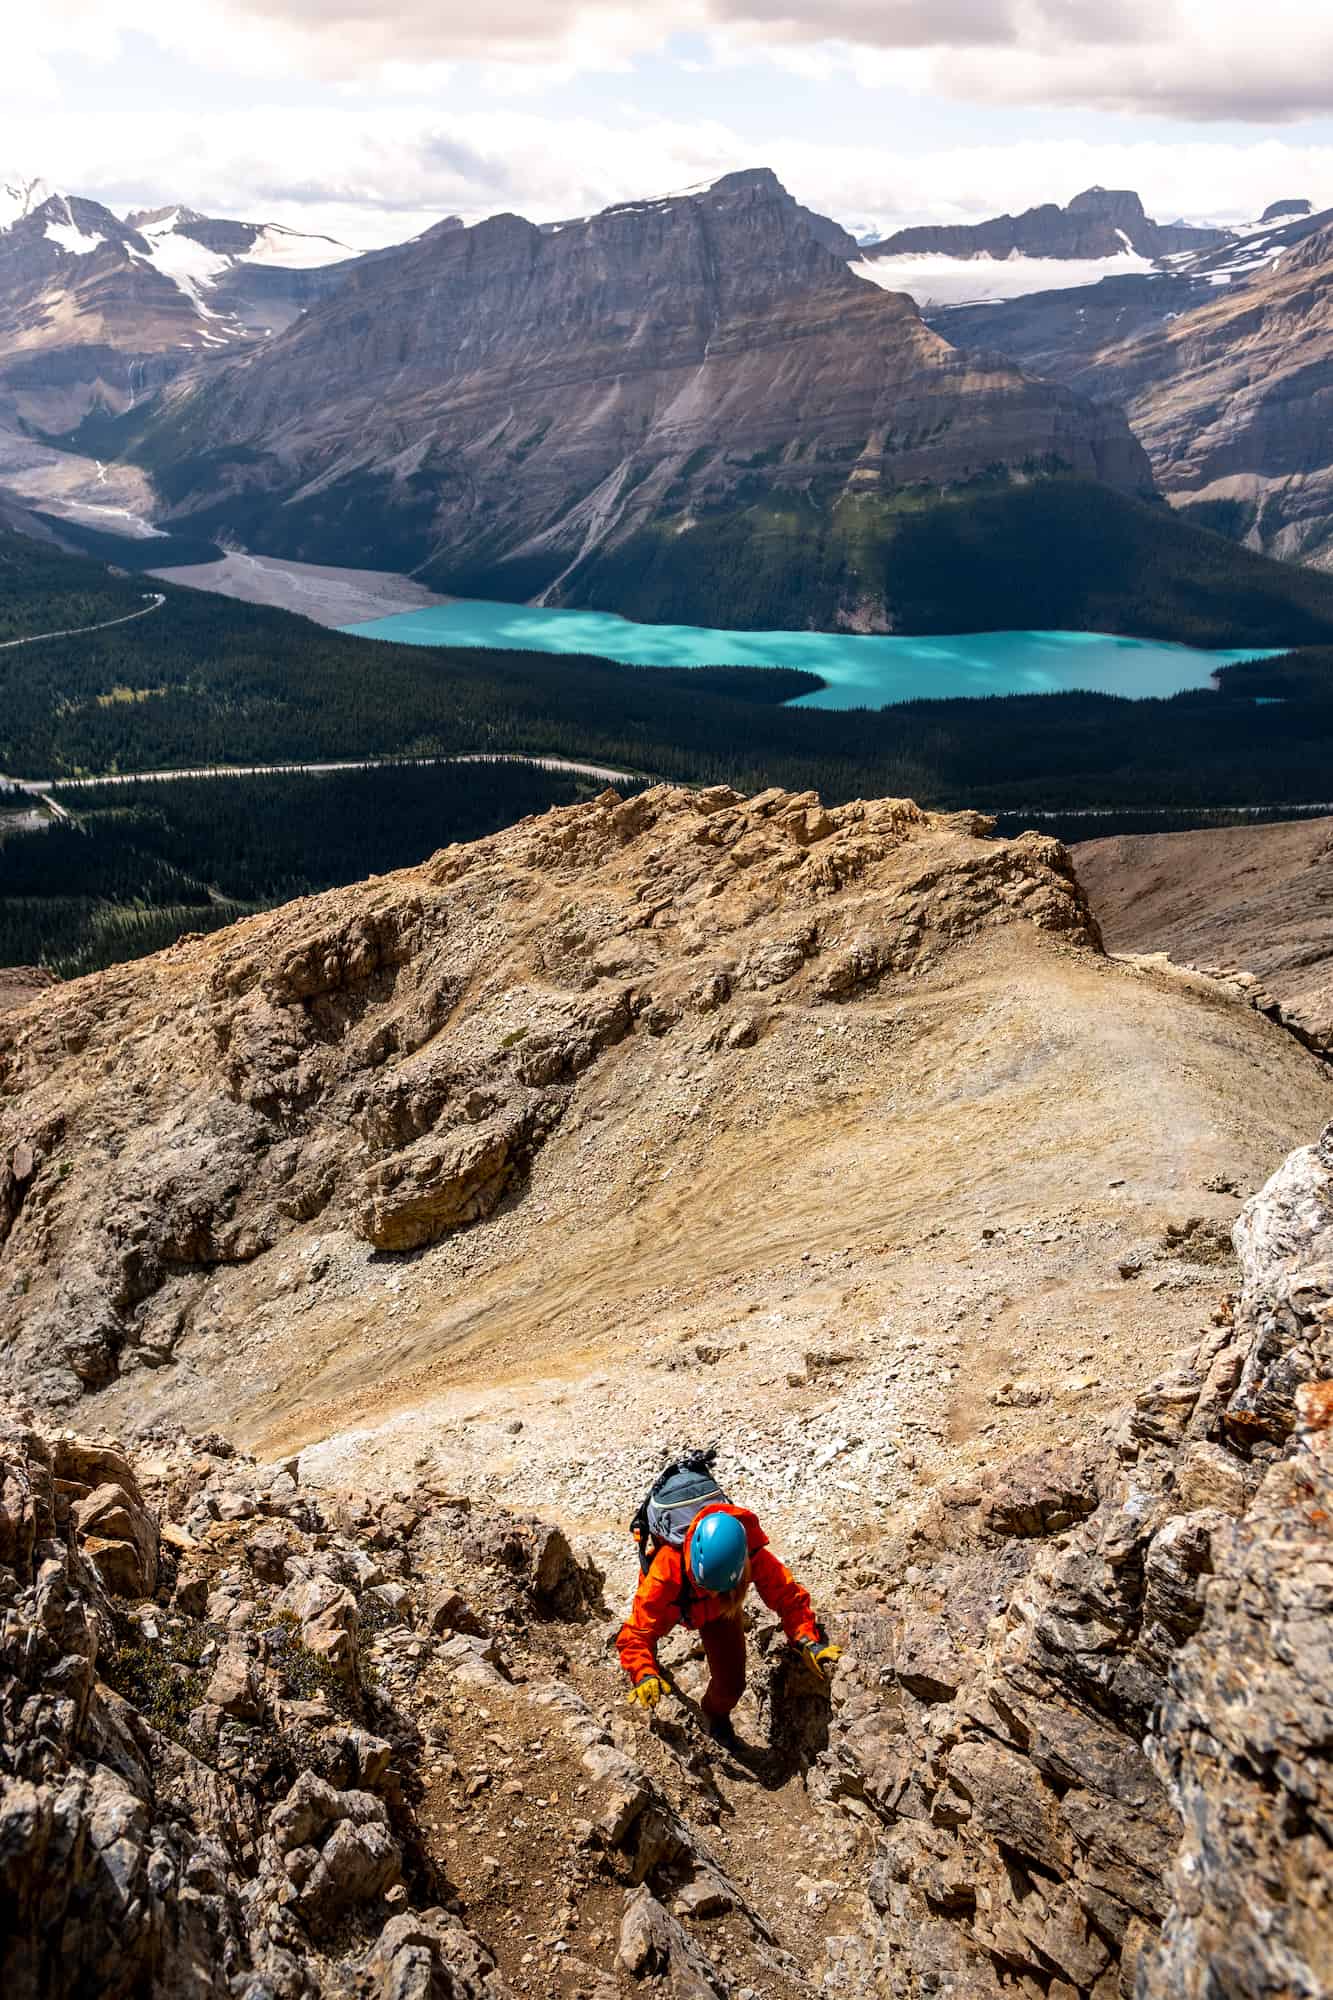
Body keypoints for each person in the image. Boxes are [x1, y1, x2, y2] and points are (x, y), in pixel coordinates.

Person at [616, 1499, 840, 1748]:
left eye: (721, 1589)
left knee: (732, 1684)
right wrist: (643, 1672)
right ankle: (652, 1667)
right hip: (675, 1603)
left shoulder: (748, 1553)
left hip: (720, 1613)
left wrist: (806, 1639)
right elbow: (636, 1632)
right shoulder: (666, 1570)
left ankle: (716, 1717)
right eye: (708, 1587)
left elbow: (788, 1596)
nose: (713, 1594)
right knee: (647, 1646)